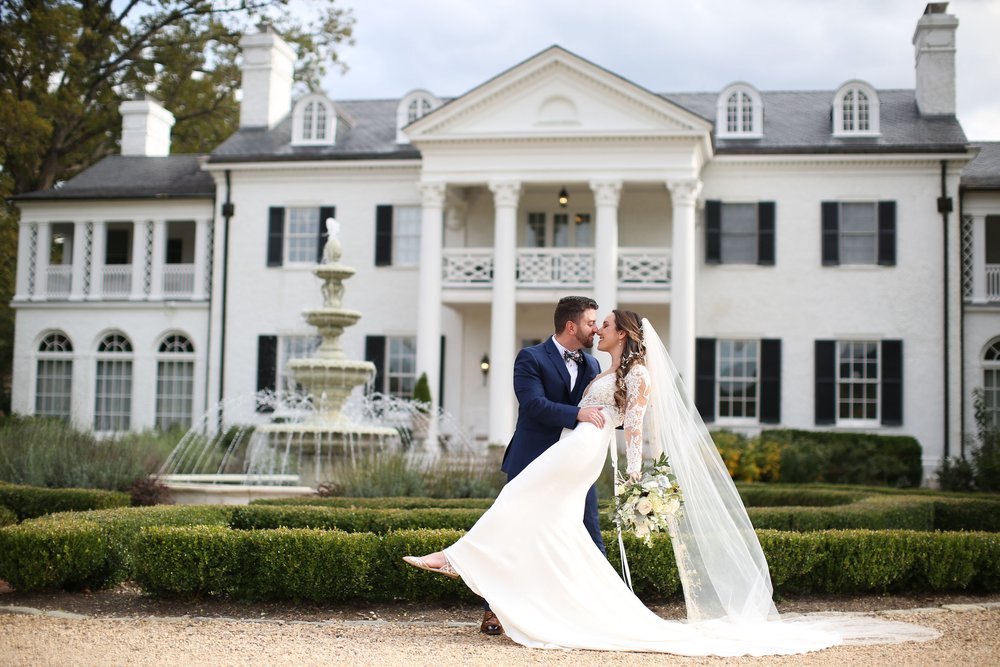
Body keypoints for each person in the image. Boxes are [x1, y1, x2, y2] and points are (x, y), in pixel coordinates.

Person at [404, 309, 938, 656]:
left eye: (606, 324)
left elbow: (633, 425)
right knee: (553, 527)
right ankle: (538, 600)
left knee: (517, 497)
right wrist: (582, 419)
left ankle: (457, 558)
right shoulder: (601, 364)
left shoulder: (635, 373)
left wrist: (635, 476)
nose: (599, 329)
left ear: (623, 334)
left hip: (585, 450)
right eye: (595, 322)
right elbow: (557, 404)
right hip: (573, 445)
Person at [484, 295, 607, 635]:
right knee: (512, 534)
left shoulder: (593, 366)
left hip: (574, 465)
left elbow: (599, 410)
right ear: (571, 326)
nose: (595, 329)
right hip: (532, 459)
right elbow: (534, 404)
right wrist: (576, 413)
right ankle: (494, 611)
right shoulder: (530, 358)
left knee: (590, 532)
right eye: (590, 322)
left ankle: (603, 607)